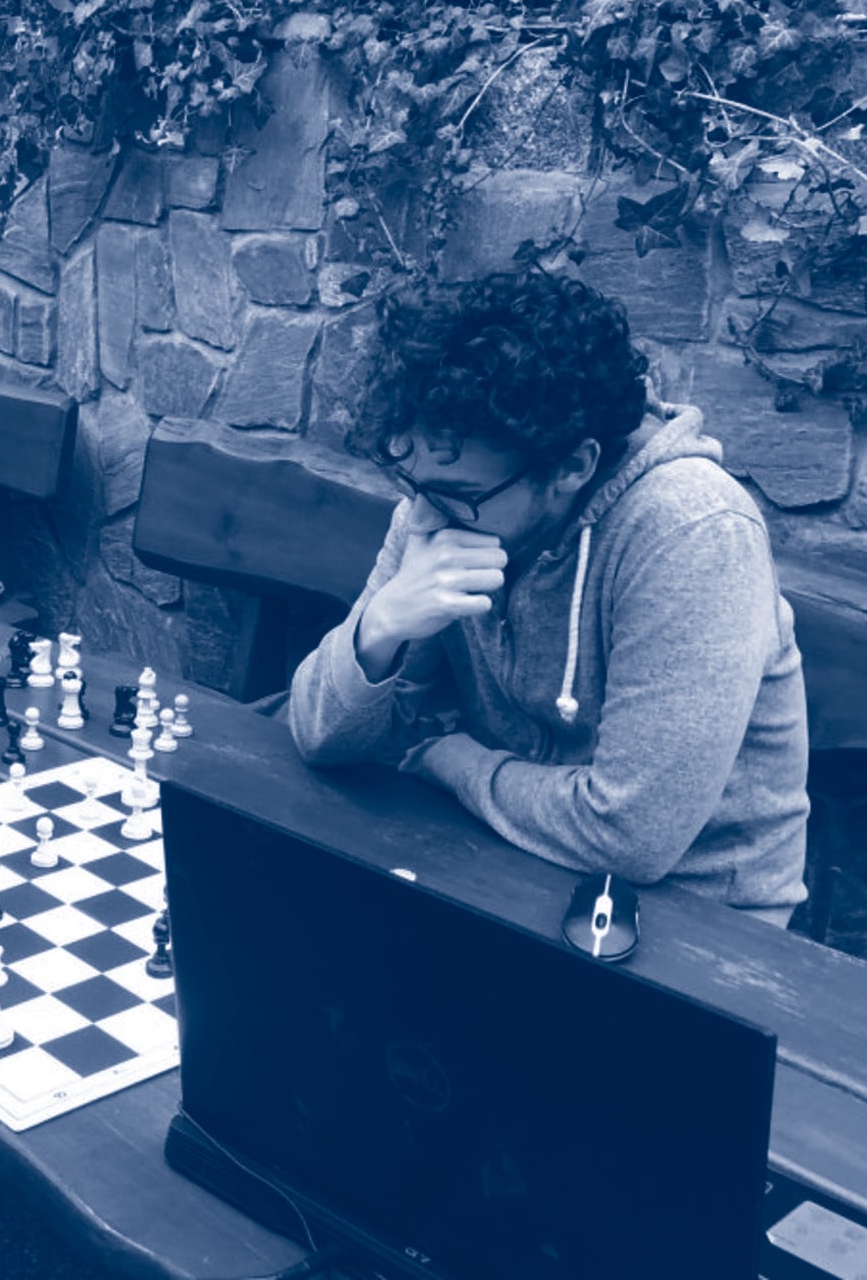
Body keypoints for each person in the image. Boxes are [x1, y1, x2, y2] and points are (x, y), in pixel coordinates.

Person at [288, 271, 810, 925]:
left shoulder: (691, 529)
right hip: (504, 864)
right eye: (407, 481)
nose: (419, 516)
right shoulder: (441, 507)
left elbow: (632, 835)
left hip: (697, 924)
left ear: (573, 466)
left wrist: (454, 759)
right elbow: (315, 731)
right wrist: (380, 629)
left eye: (454, 494)